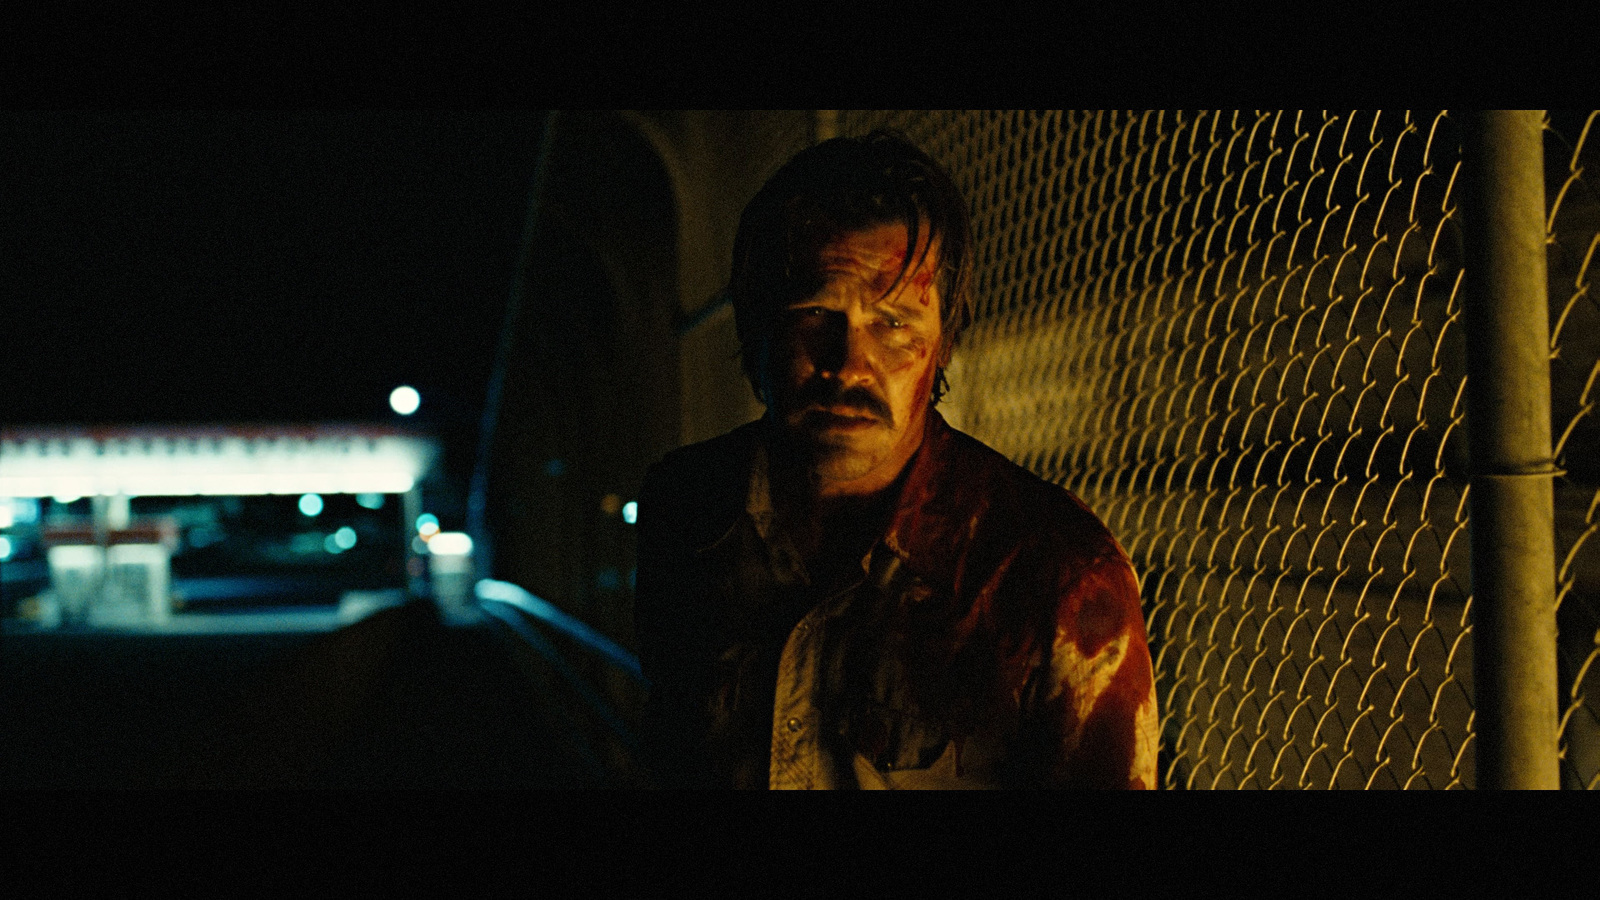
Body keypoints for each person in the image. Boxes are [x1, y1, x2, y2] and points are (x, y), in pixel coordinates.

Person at [633, 130, 1157, 789]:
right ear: (756, 329)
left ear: (943, 339)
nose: (849, 365)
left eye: (894, 323)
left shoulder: (1053, 570)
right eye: (814, 313)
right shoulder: (686, 508)